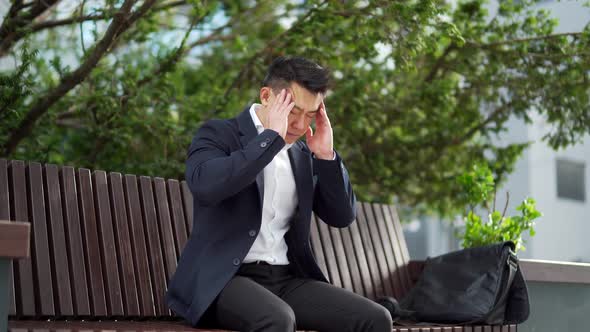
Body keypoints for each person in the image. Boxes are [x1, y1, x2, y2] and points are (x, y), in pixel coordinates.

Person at [166, 56, 393, 332]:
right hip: (222, 280)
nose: (299, 125)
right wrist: (269, 140)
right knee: (277, 319)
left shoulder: (302, 154)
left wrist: (325, 155)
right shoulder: (219, 134)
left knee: (376, 319)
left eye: (310, 115)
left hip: (284, 280)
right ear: (266, 96)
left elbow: (341, 216)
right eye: (293, 110)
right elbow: (205, 186)